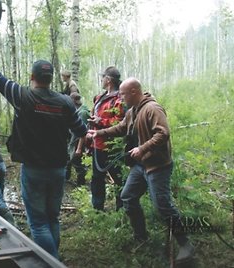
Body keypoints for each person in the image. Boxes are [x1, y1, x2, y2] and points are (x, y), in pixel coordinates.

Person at [0, 32, 87, 259]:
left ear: (31, 76)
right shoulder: (65, 102)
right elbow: (81, 130)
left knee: (39, 223)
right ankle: (54, 258)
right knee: (53, 218)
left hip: (34, 170)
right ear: (51, 78)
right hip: (58, 170)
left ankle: (51, 262)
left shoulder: (23, 96)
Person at [87, 77, 195, 263]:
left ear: (134, 92)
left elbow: (163, 133)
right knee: (128, 197)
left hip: (157, 166)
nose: (120, 98)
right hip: (140, 166)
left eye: (123, 94)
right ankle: (141, 236)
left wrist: (142, 148)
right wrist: (99, 133)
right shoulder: (133, 111)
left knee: (162, 205)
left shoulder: (152, 109)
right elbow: (121, 128)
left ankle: (185, 244)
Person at [87, 66, 126, 211]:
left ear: (108, 80)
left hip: (113, 146)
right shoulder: (100, 98)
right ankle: (98, 209)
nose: (101, 80)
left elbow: (121, 123)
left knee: (118, 178)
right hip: (98, 144)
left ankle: (121, 209)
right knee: (97, 179)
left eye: (103, 77)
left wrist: (101, 122)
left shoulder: (119, 99)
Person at [66, 92, 90, 186]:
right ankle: (68, 179)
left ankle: (81, 184)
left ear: (74, 101)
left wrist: (79, 148)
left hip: (78, 141)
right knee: (70, 159)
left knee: (76, 160)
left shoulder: (83, 112)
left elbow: (83, 132)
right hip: (73, 140)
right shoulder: (78, 110)